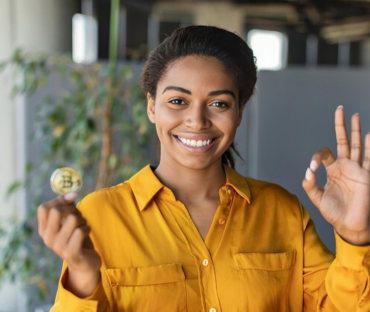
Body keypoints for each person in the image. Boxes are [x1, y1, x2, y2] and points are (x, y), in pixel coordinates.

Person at [38, 25, 370, 311]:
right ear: (152, 106)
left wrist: (355, 237)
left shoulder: (283, 212)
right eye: (178, 101)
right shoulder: (100, 215)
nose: (197, 120)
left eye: (219, 103)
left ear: (239, 112)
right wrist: (82, 276)